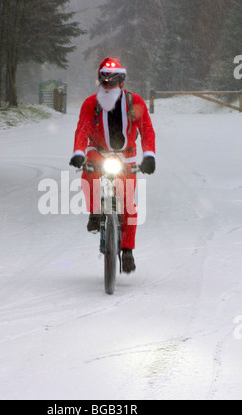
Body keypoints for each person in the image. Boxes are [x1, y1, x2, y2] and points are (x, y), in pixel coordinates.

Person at [70, 57, 156, 274]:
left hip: (126, 156)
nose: (109, 85)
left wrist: (149, 156)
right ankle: (95, 212)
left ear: (122, 82)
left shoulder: (135, 102)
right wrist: (79, 153)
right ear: (100, 82)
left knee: (128, 204)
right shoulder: (91, 104)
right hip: (98, 151)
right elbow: (82, 128)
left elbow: (146, 129)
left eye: (114, 80)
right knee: (89, 176)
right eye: (105, 81)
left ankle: (127, 251)